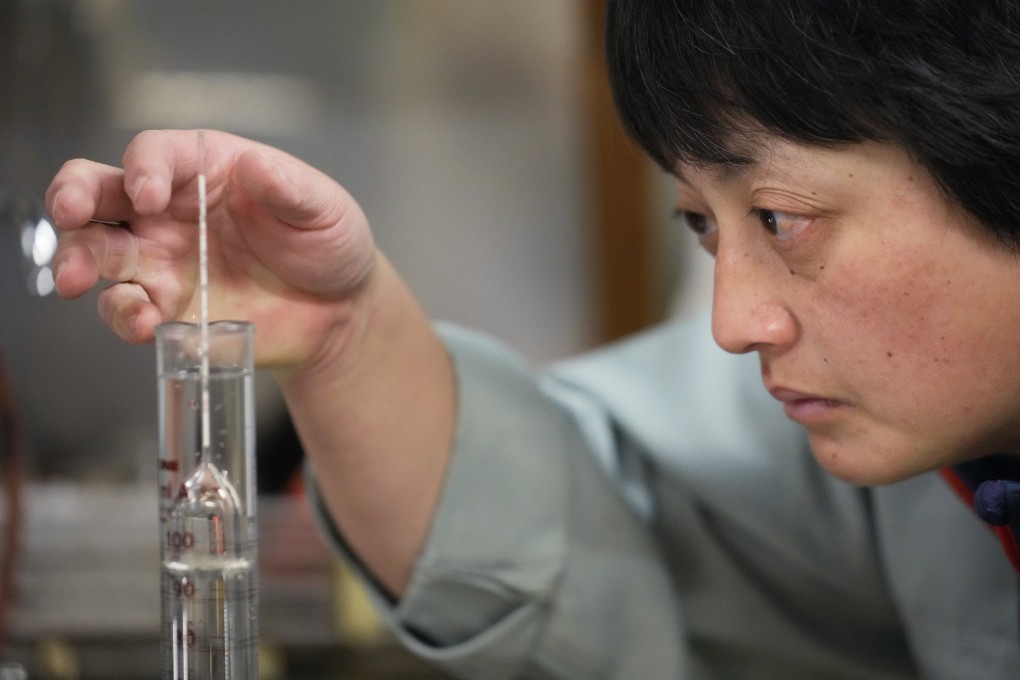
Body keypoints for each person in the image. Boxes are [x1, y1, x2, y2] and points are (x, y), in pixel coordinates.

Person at [44, 0, 1020, 677]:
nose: (733, 323)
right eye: (701, 225)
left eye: (779, 217)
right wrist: (345, 333)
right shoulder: (923, 437)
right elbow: (602, 532)